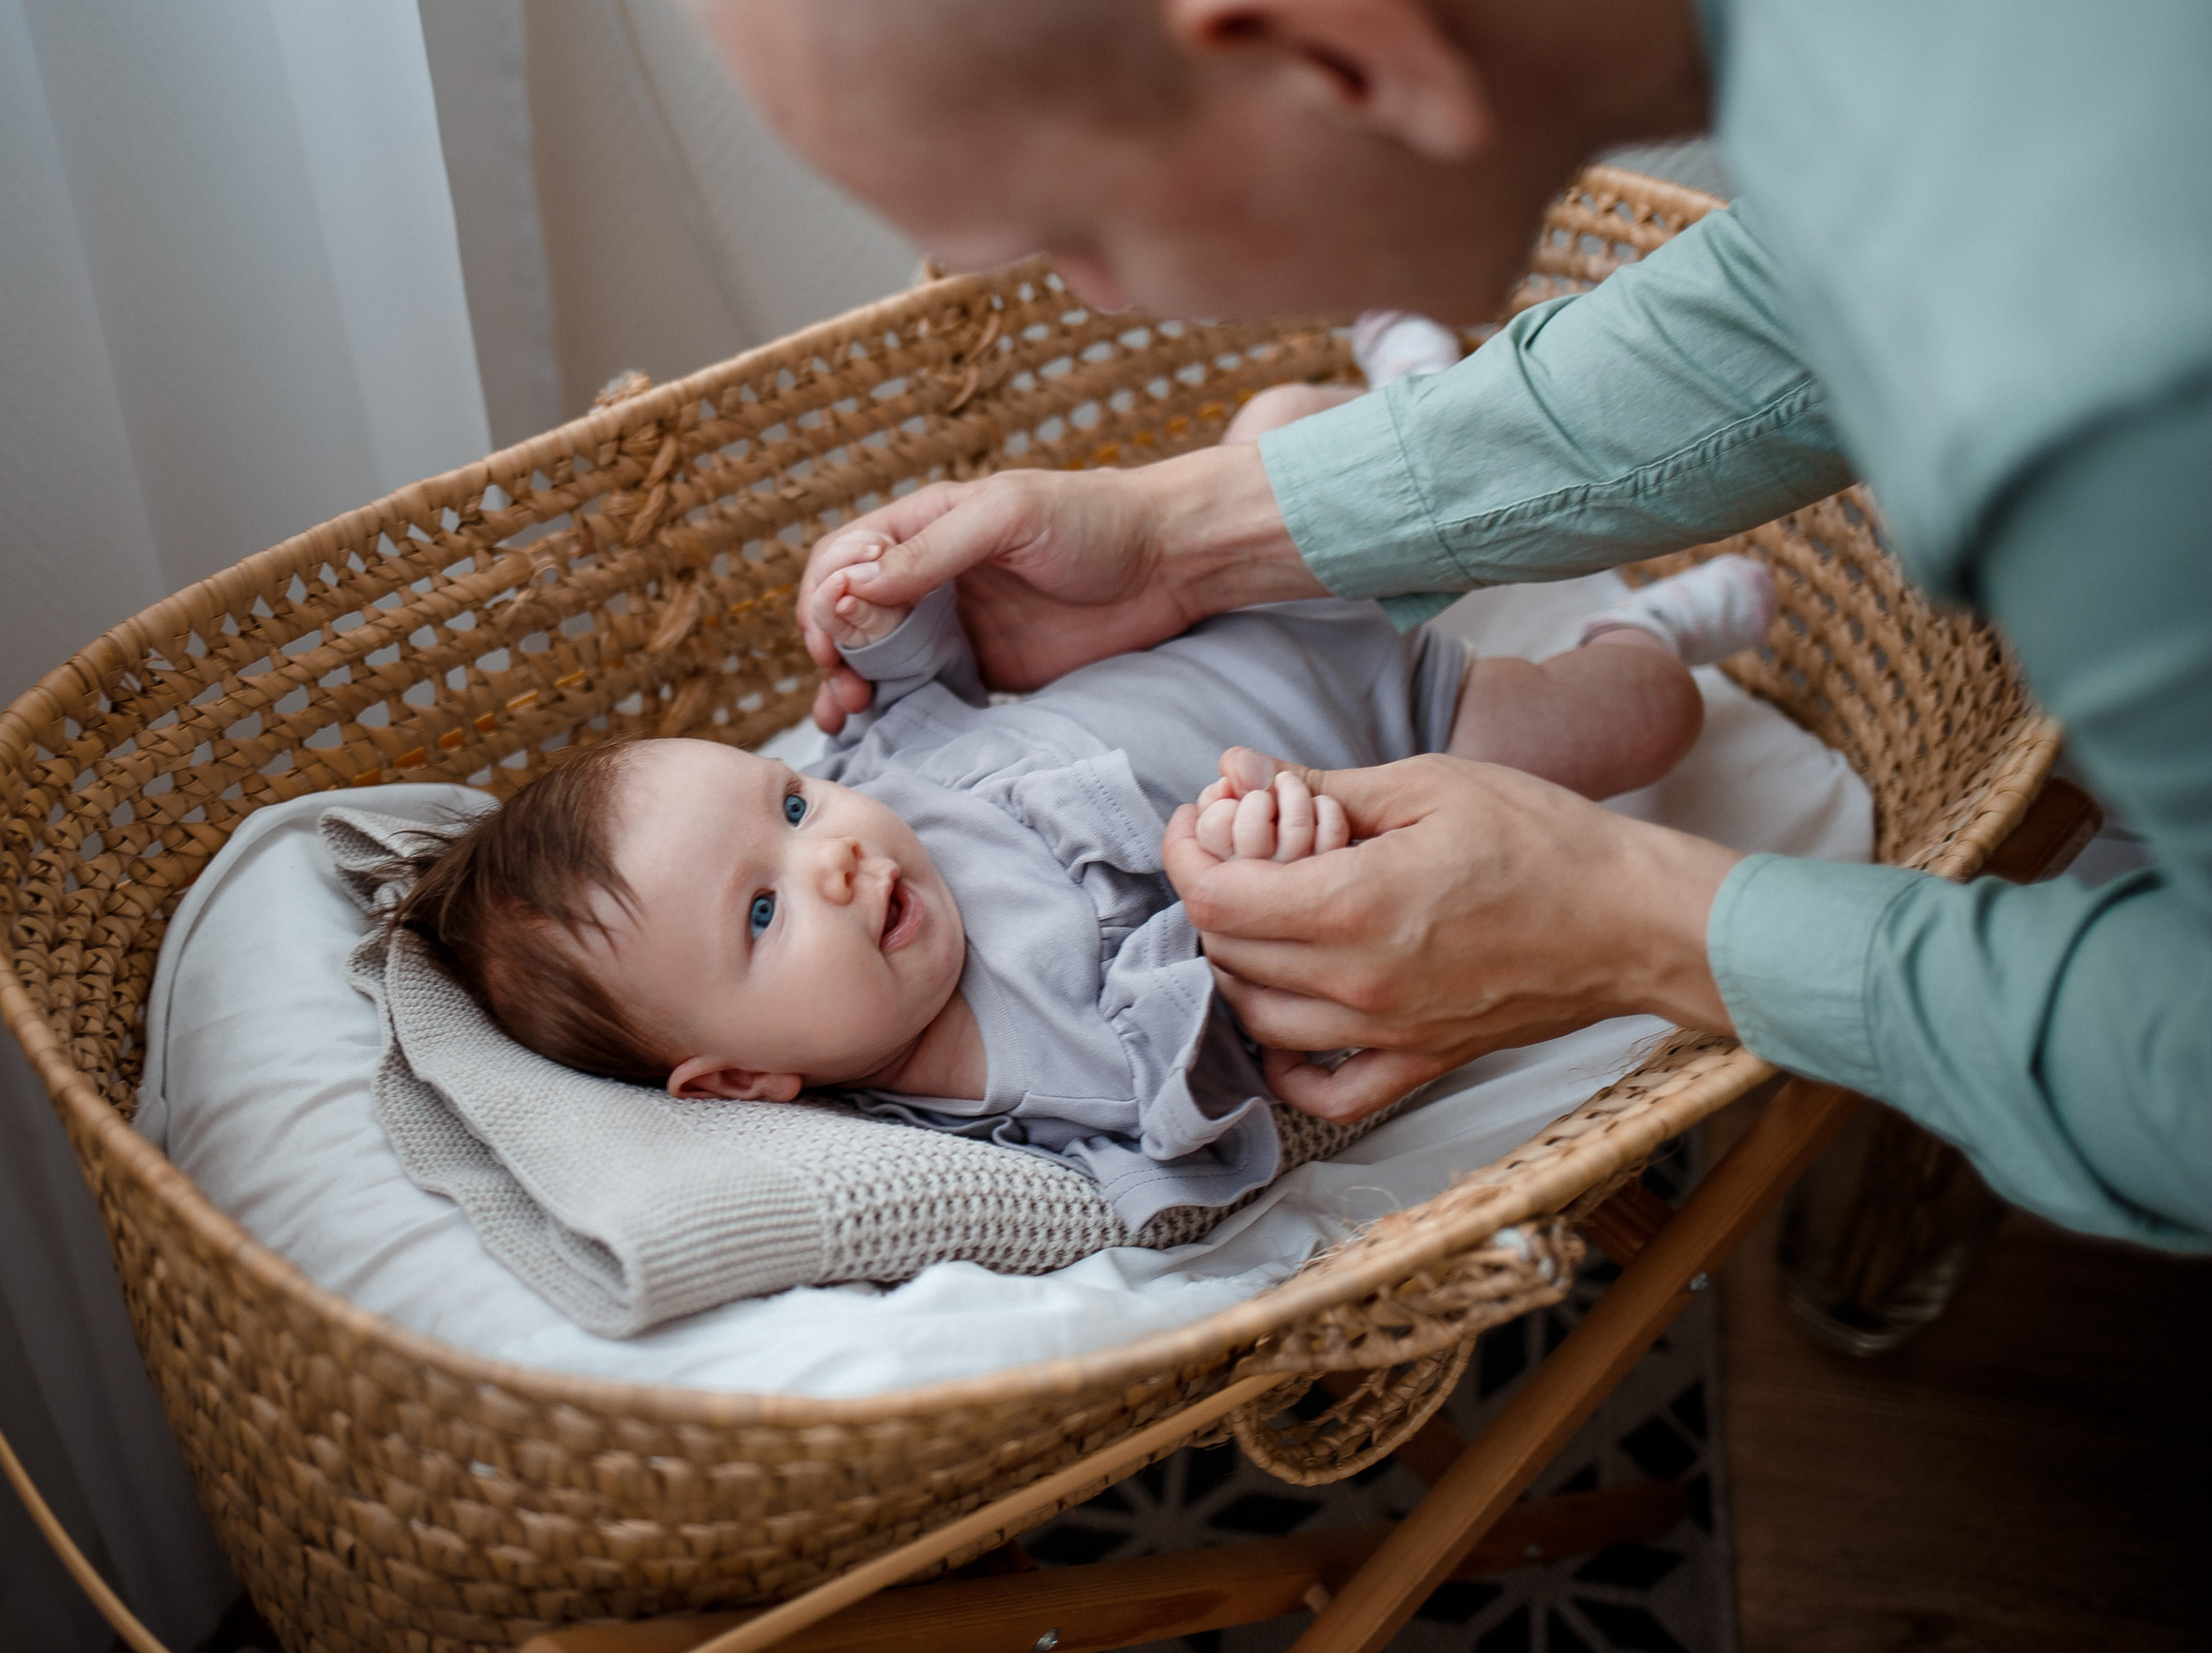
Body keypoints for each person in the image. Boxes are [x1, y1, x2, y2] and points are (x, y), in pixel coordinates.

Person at [692, 0, 2212, 1248]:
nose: (1089, 293)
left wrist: (1639, 922)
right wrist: (1193, 535)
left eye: (1073, 234)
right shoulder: (1922, 98)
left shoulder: (2099, 382)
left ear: (1337, 55)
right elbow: (1793, 308)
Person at [393, 534, 1764, 1226]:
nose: (835, 853)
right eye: (762, 912)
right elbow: (1203, 1089)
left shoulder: (883, 796)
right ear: (742, 1082)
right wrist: (1240, 902)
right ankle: (1642, 622)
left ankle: (1413, 387)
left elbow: (921, 685)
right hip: (1406, 731)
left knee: (1287, 428)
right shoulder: (1031, 1066)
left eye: (793, 802)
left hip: (1214, 598)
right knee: (1632, 726)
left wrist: (891, 605)